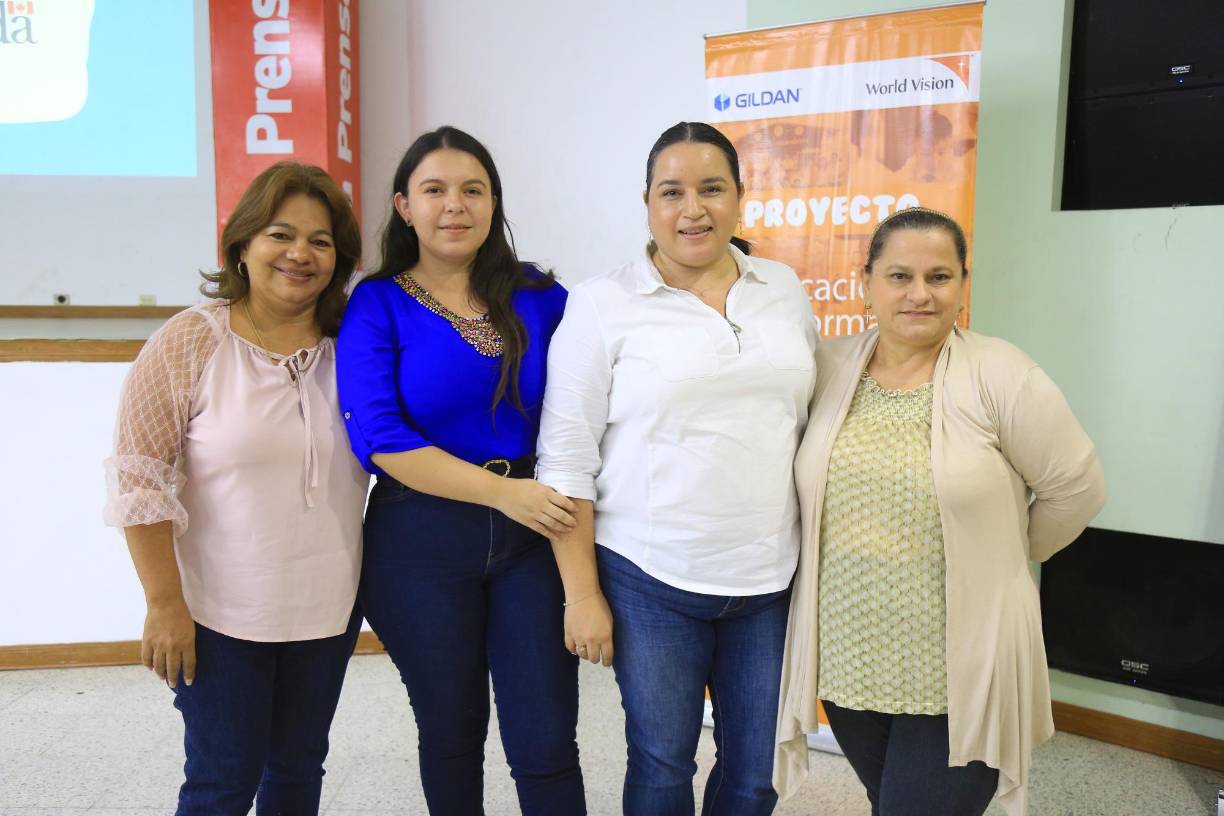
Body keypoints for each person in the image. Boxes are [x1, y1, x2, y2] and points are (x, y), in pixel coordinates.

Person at [772, 207, 1107, 816]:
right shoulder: (830, 365)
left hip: (959, 667)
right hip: (851, 656)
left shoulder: (1001, 373)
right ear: (867, 281)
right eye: (899, 276)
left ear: (962, 284)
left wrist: (1008, 553)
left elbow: (1076, 487)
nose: (919, 294)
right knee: (889, 801)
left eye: (939, 277)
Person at [537, 121, 818, 815]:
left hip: (768, 578)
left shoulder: (780, 287)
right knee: (663, 766)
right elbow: (567, 460)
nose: (693, 209)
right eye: (673, 192)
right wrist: (581, 595)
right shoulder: (602, 305)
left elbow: (810, 418)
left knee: (757, 774)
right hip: (650, 580)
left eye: (712, 189)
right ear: (647, 203)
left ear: (740, 198)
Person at [103, 162, 368, 815]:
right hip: (218, 613)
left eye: (321, 240)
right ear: (244, 245)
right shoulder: (190, 340)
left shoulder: (353, 346)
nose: (300, 254)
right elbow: (141, 478)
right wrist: (164, 604)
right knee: (224, 778)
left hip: (326, 609)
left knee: (299, 770)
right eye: (281, 234)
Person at [335, 126, 585, 815]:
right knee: (451, 733)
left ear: (493, 203)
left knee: (546, 740)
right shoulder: (376, 302)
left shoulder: (541, 295)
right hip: (420, 539)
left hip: (535, 537)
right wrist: (503, 494)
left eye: (473, 189)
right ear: (404, 206)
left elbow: (590, 403)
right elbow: (380, 437)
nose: (455, 204)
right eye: (435, 190)